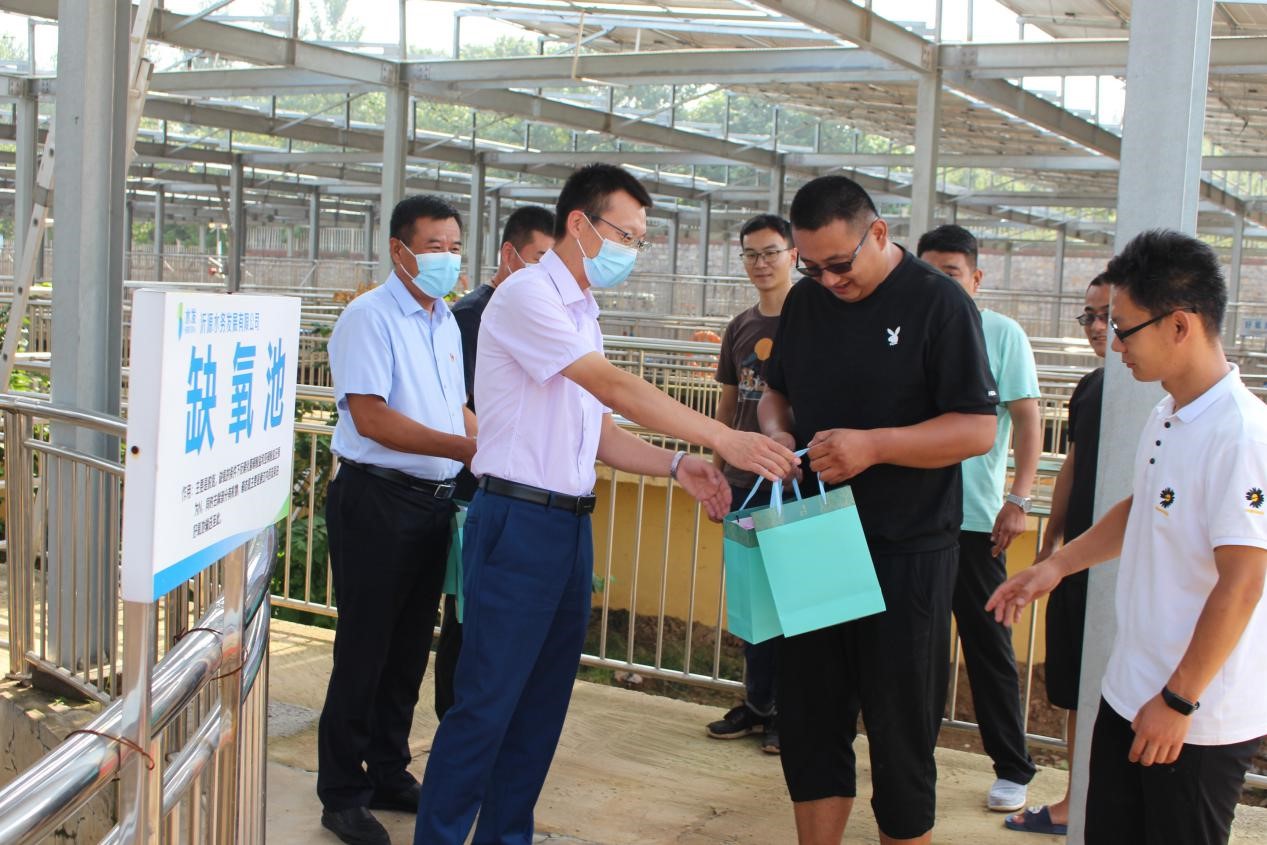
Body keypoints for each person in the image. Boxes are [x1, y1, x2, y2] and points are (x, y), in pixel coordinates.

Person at [413, 164, 797, 845]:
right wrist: (721, 437)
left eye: (640, 240)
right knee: (486, 707)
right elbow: (612, 386)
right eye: (626, 234)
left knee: (539, 711)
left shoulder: (582, 310)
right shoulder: (528, 295)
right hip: (517, 520)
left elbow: (598, 429)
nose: (632, 250)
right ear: (580, 224)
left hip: (567, 526)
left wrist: (677, 464)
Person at [989, 229, 1267, 845]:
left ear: (1179, 325)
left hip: (1193, 716)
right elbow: (1144, 508)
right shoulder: (1168, 412)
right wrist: (1056, 566)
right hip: (1130, 691)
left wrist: (1180, 701)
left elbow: (1243, 582)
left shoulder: (1242, 437)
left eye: (1124, 327)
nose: (1114, 344)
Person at [759, 175, 999, 845]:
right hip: (813, 536)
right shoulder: (806, 302)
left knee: (901, 732)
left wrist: (875, 447)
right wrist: (776, 433)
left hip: (906, 546)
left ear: (879, 233)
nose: (829, 280)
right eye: (813, 267)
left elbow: (977, 428)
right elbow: (776, 393)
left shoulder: (938, 302)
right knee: (809, 720)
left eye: (841, 263)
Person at [317, 195, 478, 845]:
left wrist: (490, 444)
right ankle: (341, 791)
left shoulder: (444, 321)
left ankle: (387, 769)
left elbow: (455, 406)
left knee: (410, 646)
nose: (447, 259)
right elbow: (371, 418)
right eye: (433, 246)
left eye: (454, 247)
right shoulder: (369, 317)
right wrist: (464, 448)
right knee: (365, 648)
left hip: (432, 503)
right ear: (399, 250)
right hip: (378, 501)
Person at [916, 224, 1040, 813]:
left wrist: (1019, 499)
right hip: (914, 519)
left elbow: (1028, 419)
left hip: (975, 521)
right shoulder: (909, 328)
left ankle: (1013, 766)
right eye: (928, 272)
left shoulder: (1001, 333)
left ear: (976, 278)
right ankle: (913, 756)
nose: (939, 284)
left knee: (988, 644)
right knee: (916, 646)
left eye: (951, 273)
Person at [434, 205, 555, 721]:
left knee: (498, 620)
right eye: (539, 258)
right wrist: (500, 447)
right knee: (467, 617)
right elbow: (452, 403)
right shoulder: (471, 317)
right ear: (509, 255)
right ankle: (454, 721)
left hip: (516, 490)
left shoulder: (542, 313)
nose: (549, 274)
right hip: (477, 488)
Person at [1005, 272, 1108, 836]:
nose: (1097, 326)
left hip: (1126, 568)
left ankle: (1107, 802)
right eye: (1089, 315)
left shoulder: (1163, 397)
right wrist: (1052, 544)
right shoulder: (1090, 388)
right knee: (1075, 687)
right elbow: (1074, 462)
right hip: (1080, 562)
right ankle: (1078, 797)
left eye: (1110, 315)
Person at [705, 213, 798, 755]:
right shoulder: (740, 325)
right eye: (751, 254)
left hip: (791, 483)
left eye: (771, 252)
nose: (761, 263)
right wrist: (717, 471)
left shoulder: (812, 320)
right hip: (743, 484)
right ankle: (758, 703)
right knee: (750, 598)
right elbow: (727, 404)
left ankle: (791, 712)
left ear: (793, 255)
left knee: (791, 599)